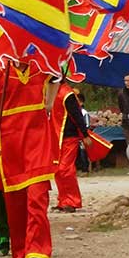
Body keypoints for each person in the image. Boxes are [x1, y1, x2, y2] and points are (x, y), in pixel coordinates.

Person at [0, 61, 60, 258]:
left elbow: (58, 74)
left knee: (37, 197)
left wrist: (49, 103)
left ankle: (36, 254)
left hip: (38, 140)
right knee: (15, 202)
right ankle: (20, 255)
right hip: (10, 143)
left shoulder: (44, 64)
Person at [51, 83, 92, 212]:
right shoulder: (48, 92)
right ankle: (63, 200)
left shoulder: (67, 93)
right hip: (56, 137)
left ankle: (73, 201)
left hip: (69, 136)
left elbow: (77, 114)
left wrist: (85, 134)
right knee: (57, 170)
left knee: (65, 169)